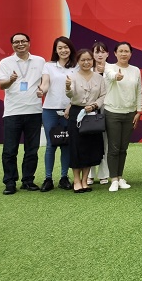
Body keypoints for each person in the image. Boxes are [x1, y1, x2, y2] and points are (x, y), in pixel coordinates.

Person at [0, 32, 45, 195]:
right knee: (10, 150)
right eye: (16, 42)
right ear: (12, 45)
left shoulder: (40, 61)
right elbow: (1, 85)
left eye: (23, 41)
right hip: (13, 112)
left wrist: (43, 90)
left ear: (29, 43)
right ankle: (10, 182)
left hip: (34, 111)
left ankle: (28, 180)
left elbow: (46, 81)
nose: (20, 44)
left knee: (32, 149)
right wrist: (11, 80)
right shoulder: (5, 62)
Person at [38, 36, 77, 192]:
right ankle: (48, 179)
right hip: (50, 110)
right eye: (60, 48)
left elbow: (78, 90)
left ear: (70, 49)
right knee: (51, 144)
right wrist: (41, 91)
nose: (63, 50)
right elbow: (45, 84)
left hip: (69, 110)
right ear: (55, 50)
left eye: (66, 47)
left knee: (66, 144)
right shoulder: (49, 66)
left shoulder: (76, 67)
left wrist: (70, 105)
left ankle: (64, 177)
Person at [65, 49, 107, 193]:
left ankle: (85, 180)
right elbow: (70, 94)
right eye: (83, 60)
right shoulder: (72, 76)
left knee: (90, 147)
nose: (86, 62)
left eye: (89, 59)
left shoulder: (99, 77)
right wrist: (67, 87)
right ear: (78, 61)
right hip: (77, 113)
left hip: (92, 114)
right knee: (76, 147)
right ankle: (76, 180)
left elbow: (103, 95)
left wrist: (94, 105)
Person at [103, 41, 142, 192]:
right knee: (114, 147)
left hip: (130, 113)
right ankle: (113, 179)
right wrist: (116, 76)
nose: (124, 54)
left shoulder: (135, 70)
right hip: (112, 112)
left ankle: (120, 177)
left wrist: (139, 111)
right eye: (121, 51)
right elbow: (111, 76)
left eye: (127, 51)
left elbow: (139, 91)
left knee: (123, 148)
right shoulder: (109, 67)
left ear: (131, 54)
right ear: (115, 53)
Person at [88, 41, 110, 185]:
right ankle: (89, 174)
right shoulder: (87, 69)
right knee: (90, 141)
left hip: (107, 108)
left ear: (107, 54)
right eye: (97, 52)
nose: (100, 55)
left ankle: (103, 174)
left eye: (102, 51)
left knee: (105, 142)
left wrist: (105, 72)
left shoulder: (112, 69)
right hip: (90, 109)